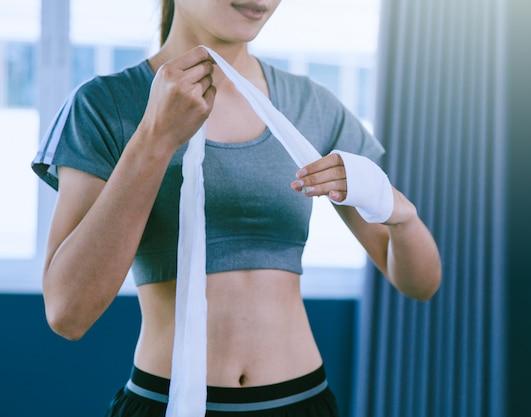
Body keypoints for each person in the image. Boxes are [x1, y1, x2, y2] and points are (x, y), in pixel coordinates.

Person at [31, 0, 441, 416]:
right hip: (165, 401)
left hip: (299, 402)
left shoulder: (310, 106)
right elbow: (68, 314)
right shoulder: (104, 106)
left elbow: (420, 284)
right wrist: (154, 140)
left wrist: (401, 215)